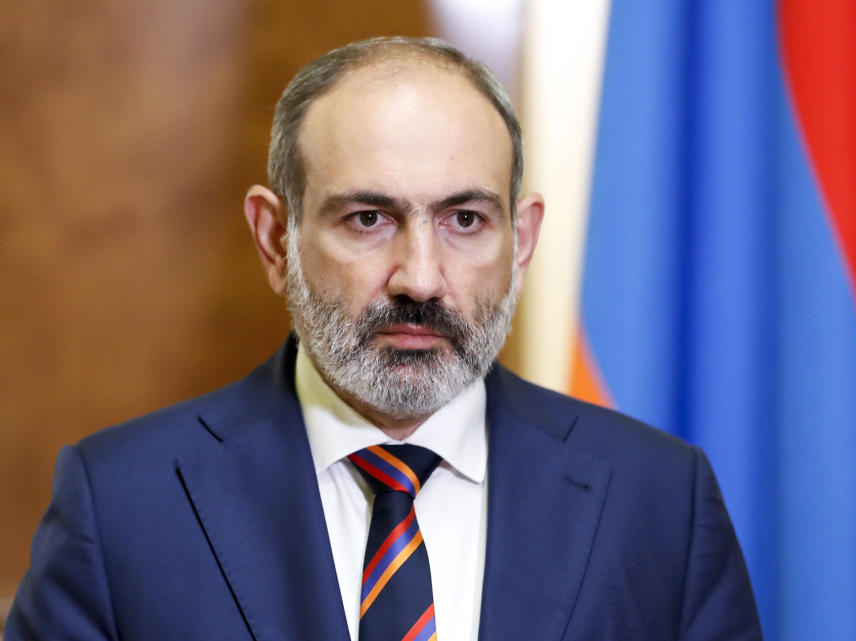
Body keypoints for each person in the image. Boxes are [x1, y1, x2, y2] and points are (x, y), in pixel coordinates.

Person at [5, 37, 762, 641]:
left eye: (464, 220)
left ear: (521, 240)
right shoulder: (119, 504)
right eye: (368, 218)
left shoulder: (660, 500)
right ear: (275, 240)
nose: (420, 279)